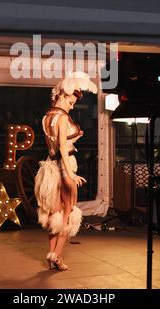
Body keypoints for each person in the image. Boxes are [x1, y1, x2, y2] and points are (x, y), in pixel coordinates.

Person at [35, 72, 97, 271]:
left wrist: (73, 138)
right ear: (62, 96)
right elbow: (62, 147)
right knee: (69, 213)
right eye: (71, 102)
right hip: (65, 166)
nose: (72, 106)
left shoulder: (47, 117)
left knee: (55, 214)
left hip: (50, 167)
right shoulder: (62, 118)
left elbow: (55, 144)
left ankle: (51, 256)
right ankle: (57, 255)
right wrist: (71, 174)